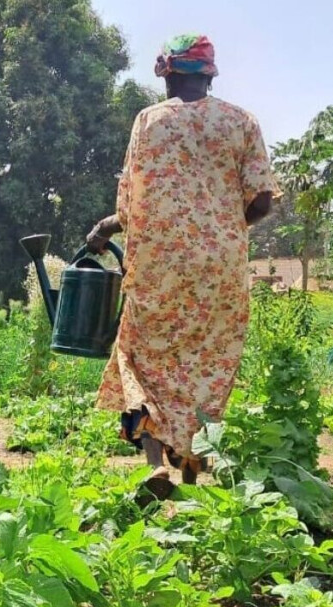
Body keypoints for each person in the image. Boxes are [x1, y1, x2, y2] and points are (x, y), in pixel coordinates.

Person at [86, 34, 277, 500]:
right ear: (209, 74)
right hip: (221, 271)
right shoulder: (240, 122)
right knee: (205, 367)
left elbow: (132, 205)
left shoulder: (149, 123)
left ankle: (156, 466)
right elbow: (263, 200)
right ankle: (192, 473)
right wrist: (225, 228)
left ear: (167, 74)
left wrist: (106, 229)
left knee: (139, 360)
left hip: (159, 265)